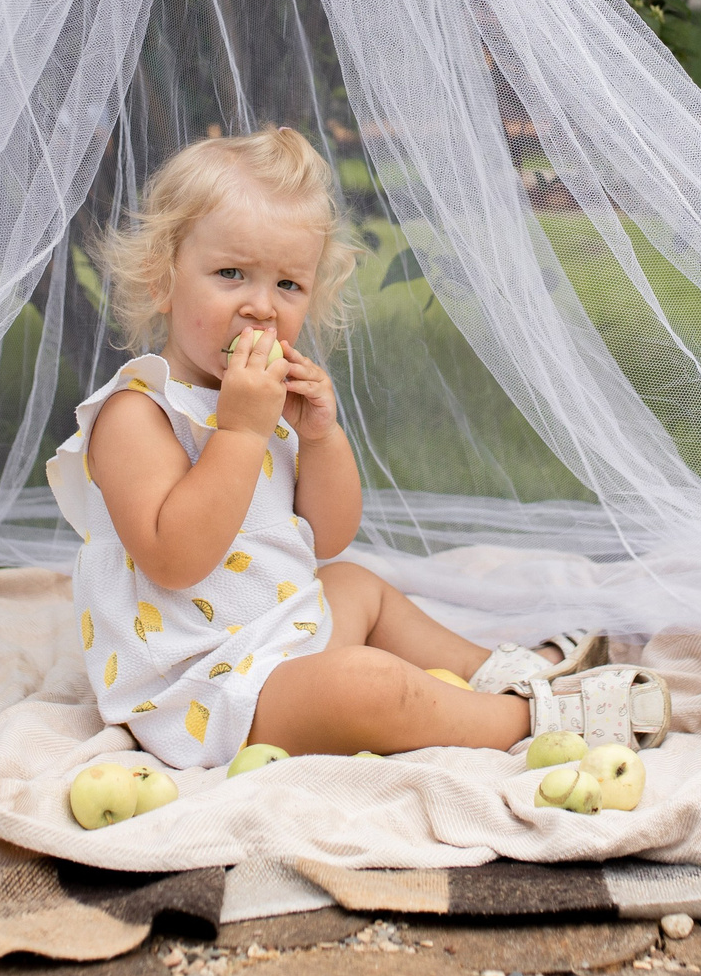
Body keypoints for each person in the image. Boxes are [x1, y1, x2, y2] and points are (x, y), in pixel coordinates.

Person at [44, 128, 669, 766]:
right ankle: (526, 718)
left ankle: (498, 670)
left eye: (288, 285)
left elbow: (329, 535)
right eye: (231, 274)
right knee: (369, 685)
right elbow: (175, 560)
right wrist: (240, 432)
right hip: (207, 692)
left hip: (279, 637)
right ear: (162, 281)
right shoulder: (136, 413)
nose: (261, 307)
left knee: (357, 584)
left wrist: (318, 437)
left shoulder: (262, 400)